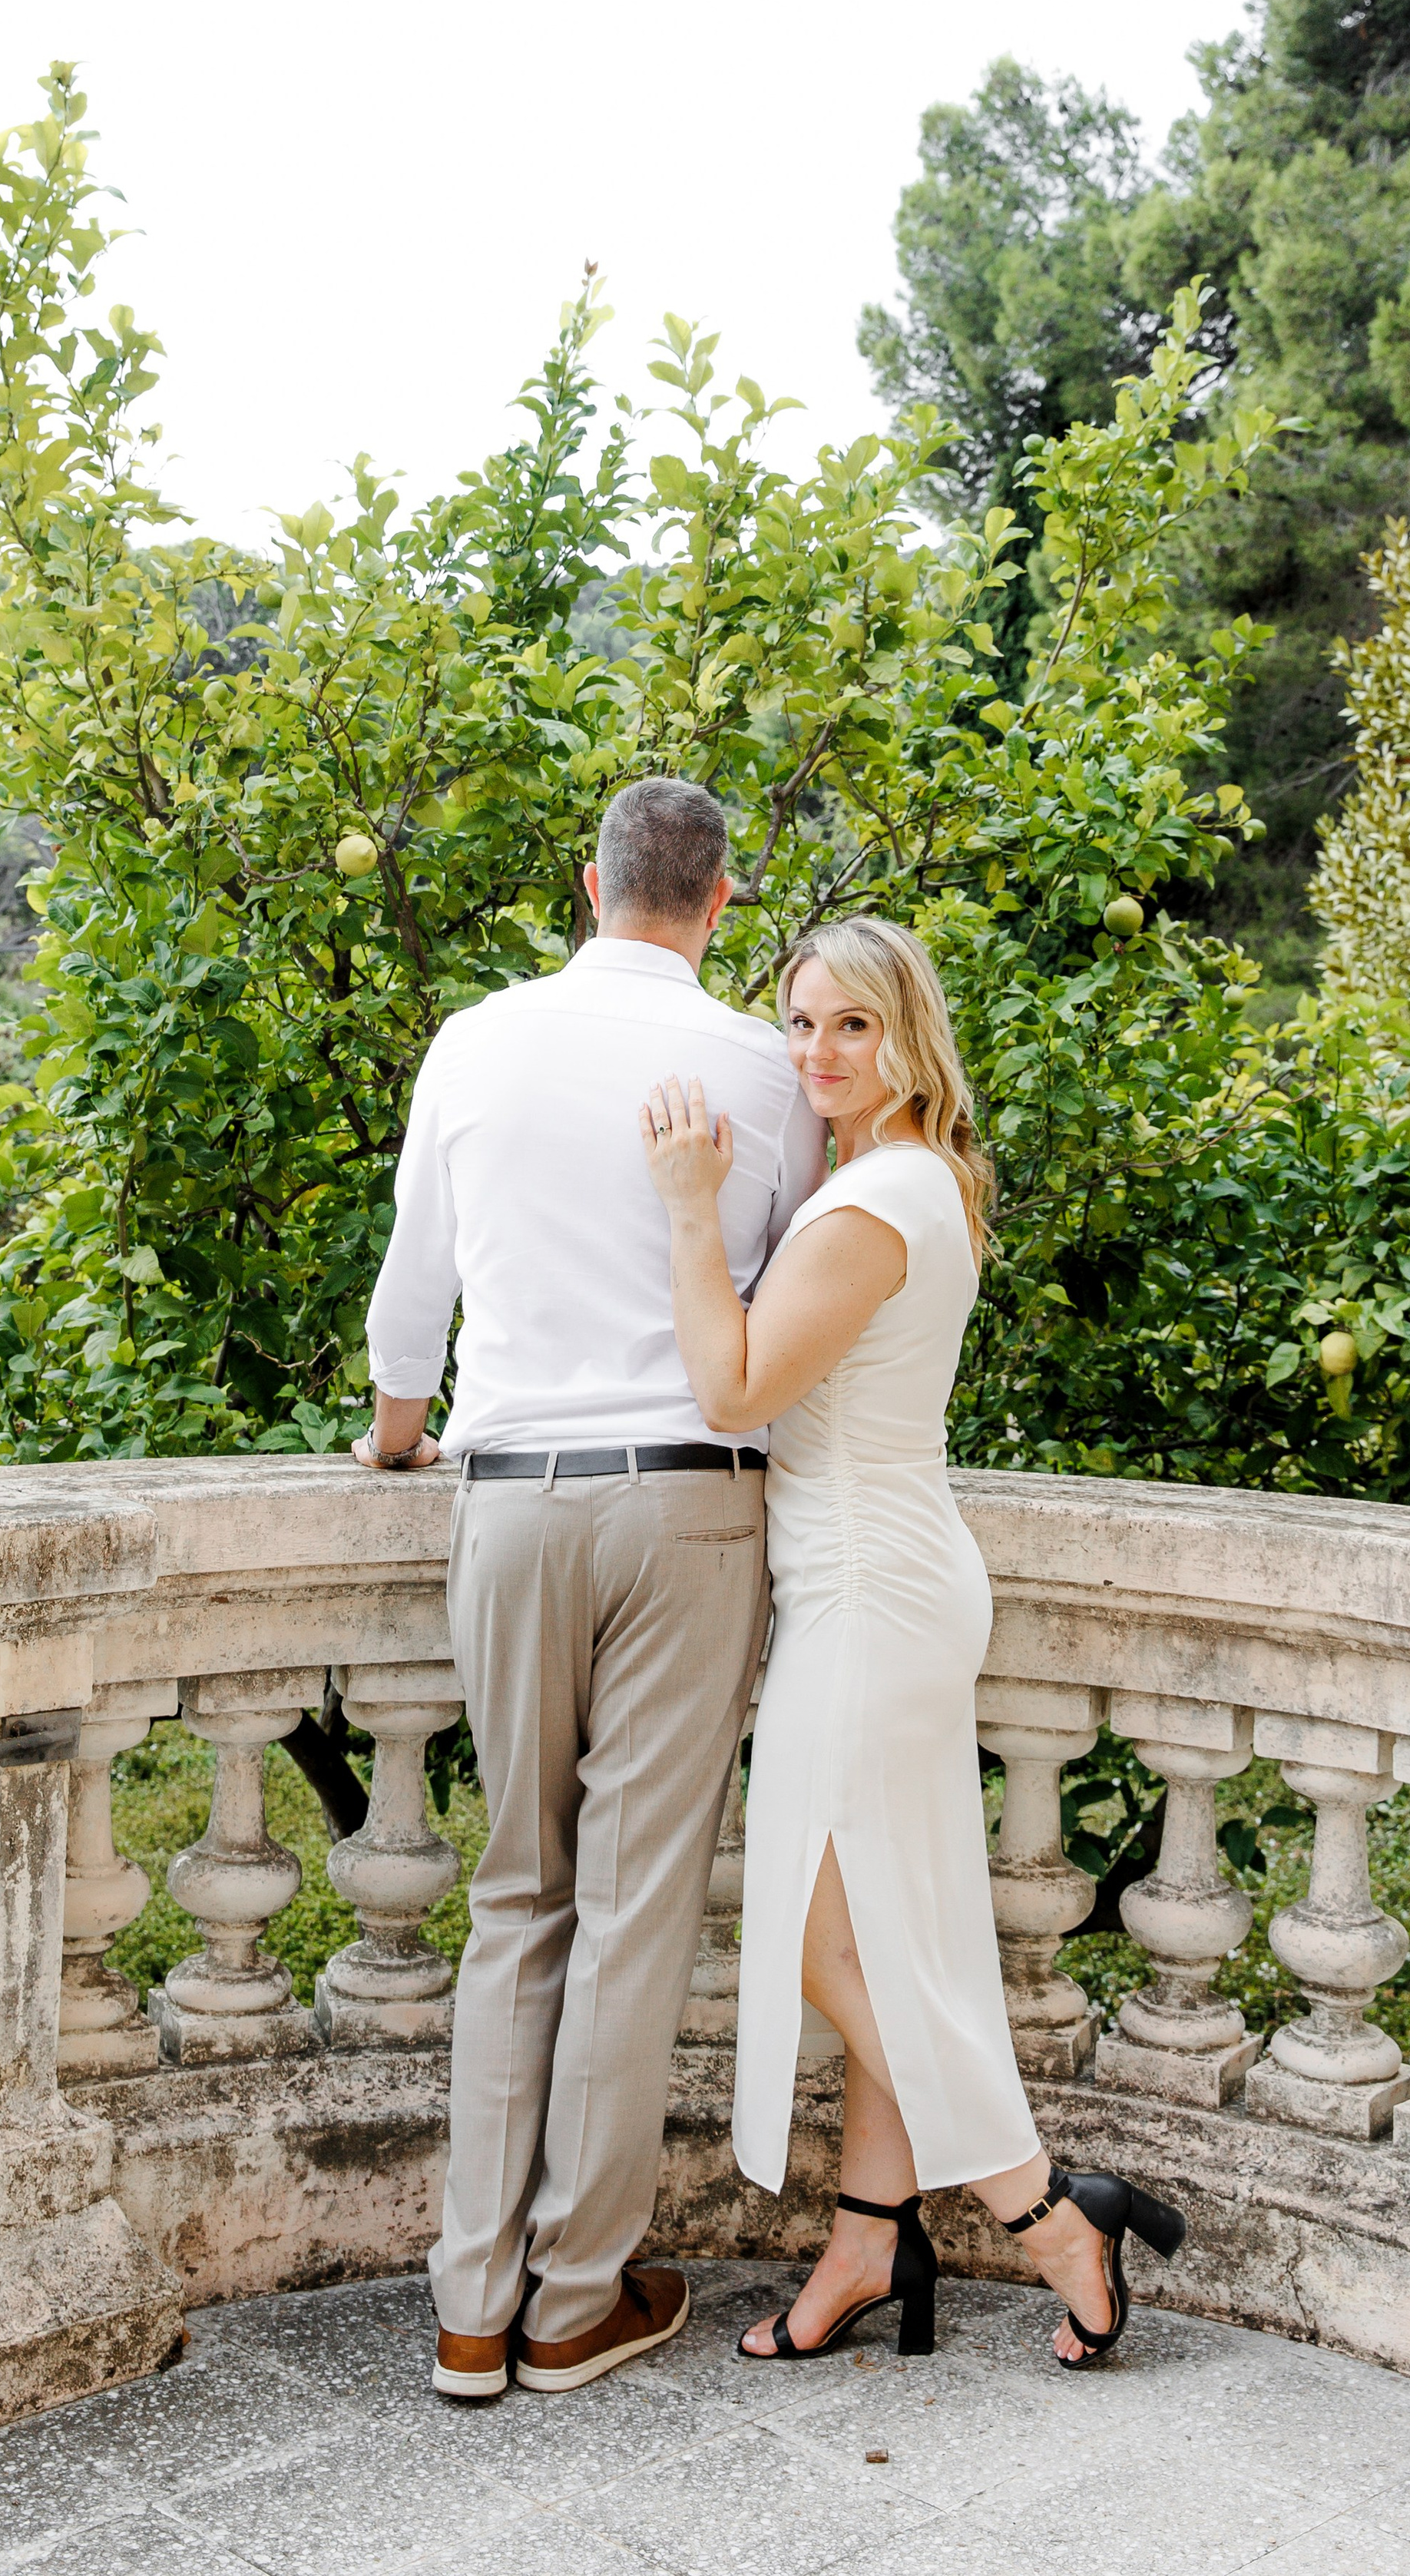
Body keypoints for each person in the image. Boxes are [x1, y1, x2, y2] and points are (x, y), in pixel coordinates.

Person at [639, 916, 1187, 2368]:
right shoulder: (912, 1178)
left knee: (825, 1938)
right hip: (884, 1583)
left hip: (871, 1598)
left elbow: (734, 1388)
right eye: (800, 1023)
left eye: (852, 1027)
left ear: (907, 1035)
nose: (817, 1051)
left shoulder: (875, 1202)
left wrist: (691, 1208)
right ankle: (872, 2240)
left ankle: (1049, 2212)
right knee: (887, 1923)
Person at [359, 777, 826, 2400]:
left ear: (590, 883)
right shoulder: (769, 1074)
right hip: (687, 1505)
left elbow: (414, 1276)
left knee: (516, 1895)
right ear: (718, 903)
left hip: (502, 1502)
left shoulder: (472, 1043)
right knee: (629, 1914)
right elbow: (770, 1300)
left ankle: (469, 2308)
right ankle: (574, 2299)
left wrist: (396, 1429)